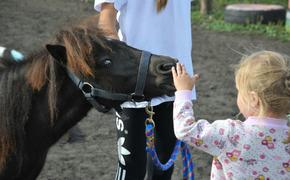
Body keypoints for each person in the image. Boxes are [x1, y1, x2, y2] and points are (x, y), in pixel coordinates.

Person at [94, 0, 196, 179]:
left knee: (164, 166)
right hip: (135, 81)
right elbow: (106, 22)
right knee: (132, 166)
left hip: (174, 77)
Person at [172, 51, 290, 179]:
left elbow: (185, 130)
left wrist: (183, 92)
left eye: (239, 91)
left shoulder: (230, 134)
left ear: (253, 99)